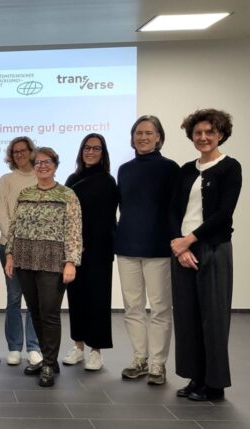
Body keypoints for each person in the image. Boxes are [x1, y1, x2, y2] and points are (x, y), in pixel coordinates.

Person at [170, 109, 242, 401]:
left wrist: (189, 240)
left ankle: (214, 385)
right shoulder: (186, 169)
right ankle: (195, 378)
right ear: (191, 136)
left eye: (210, 132)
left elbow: (224, 214)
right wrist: (178, 244)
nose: (203, 137)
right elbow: (173, 210)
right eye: (198, 133)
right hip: (182, 250)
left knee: (213, 318)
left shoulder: (230, 167)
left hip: (213, 248)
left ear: (221, 134)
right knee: (186, 318)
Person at [4, 147, 82, 387]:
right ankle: (49, 360)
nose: (42, 166)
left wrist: (71, 261)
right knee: (35, 311)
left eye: (47, 162)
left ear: (56, 165)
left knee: (49, 314)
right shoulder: (25, 192)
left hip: (53, 261)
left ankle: (48, 362)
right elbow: (14, 226)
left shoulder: (67, 195)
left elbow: (74, 231)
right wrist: (10, 255)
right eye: (38, 163)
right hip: (25, 259)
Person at [116, 115, 180, 385]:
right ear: (132, 137)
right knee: (133, 307)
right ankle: (140, 359)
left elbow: (176, 209)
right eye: (138, 133)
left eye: (148, 133)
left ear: (159, 137)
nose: (143, 137)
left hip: (159, 247)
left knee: (161, 308)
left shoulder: (170, 168)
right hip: (127, 246)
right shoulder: (124, 169)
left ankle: (158, 364)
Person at [63, 134, 117, 371]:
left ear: (103, 153)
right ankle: (78, 346)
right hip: (75, 251)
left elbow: (107, 218)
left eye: (96, 148)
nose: (91, 152)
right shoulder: (72, 179)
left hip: (98, 250)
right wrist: (74, 245)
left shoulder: (107, 181)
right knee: (76, 299)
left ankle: (96, 351)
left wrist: (89, 243)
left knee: (98, 300)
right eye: (87, 147)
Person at [0, 136, 42, 366]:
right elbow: (1, 215)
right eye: (15, 152)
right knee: (13, 298)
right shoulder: (6, 180)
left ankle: (33, 347)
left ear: (32, 151)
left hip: (36, 248)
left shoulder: (41, 176)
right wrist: (14, 243)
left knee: (34, 299)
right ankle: (14, 347)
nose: (20, 154)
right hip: (9, 247)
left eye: (24, 150)